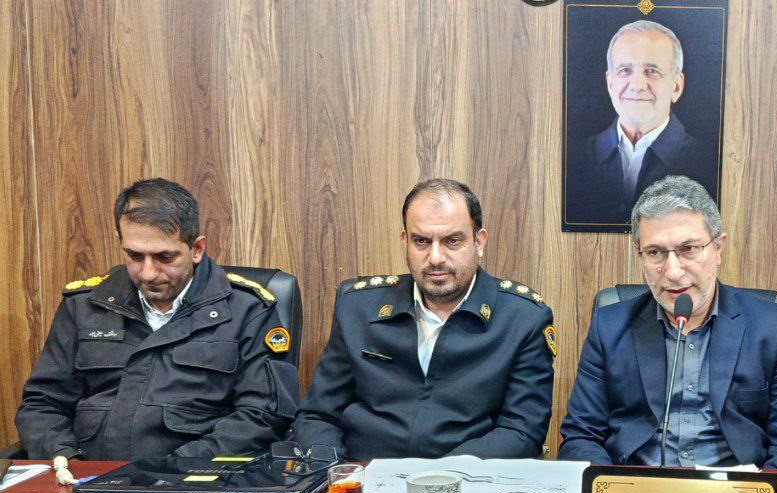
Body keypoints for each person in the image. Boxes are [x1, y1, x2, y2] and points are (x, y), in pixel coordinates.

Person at [16, 179, 299, 462]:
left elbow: (262, 415)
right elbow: (43, 404)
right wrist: (65, 458)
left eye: (165, 257)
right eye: (134, 255)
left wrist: (175, 469)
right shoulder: (85, 305)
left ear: (197, 249)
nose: (148, 273)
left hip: (192, 476)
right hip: (87, 475)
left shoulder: (247, 311)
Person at [559, 175, 777, 468]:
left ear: (718, 248)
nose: (672, 272)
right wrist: (615, 488)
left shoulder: (773, 327)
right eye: (655, 252)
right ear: (640, 255)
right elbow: (581, 437)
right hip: (637, 486)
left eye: (688, 249)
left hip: (735, 489)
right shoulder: (609, 326)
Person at [292, 179, 555, 461]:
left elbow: (522, 432)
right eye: (422, 241)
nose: (436, 257)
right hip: (363, 477)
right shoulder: (358, 307)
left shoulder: (523, 318)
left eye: (452, 241)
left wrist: (441, 477)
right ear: (405, 241)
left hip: (468, 480)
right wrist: (336, 472)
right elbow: (318, 416)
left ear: (479, 242)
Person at [564, 20, 719, 229]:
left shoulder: (710, 164)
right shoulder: (573, 159)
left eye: (652, 71)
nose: (637, 85)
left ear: (676, 87)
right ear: (610, 83)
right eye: (625, 70)